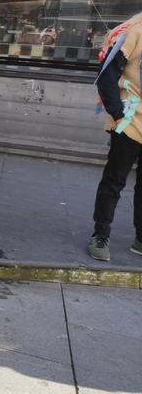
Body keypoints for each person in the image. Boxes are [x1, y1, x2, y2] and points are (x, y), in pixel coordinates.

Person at [90, 13, 142, 261]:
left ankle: (141, 238)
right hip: (130, 119)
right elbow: (107, 74)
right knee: (115, 179)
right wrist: (118, 114)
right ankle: (100, 235)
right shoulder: (135, 30)